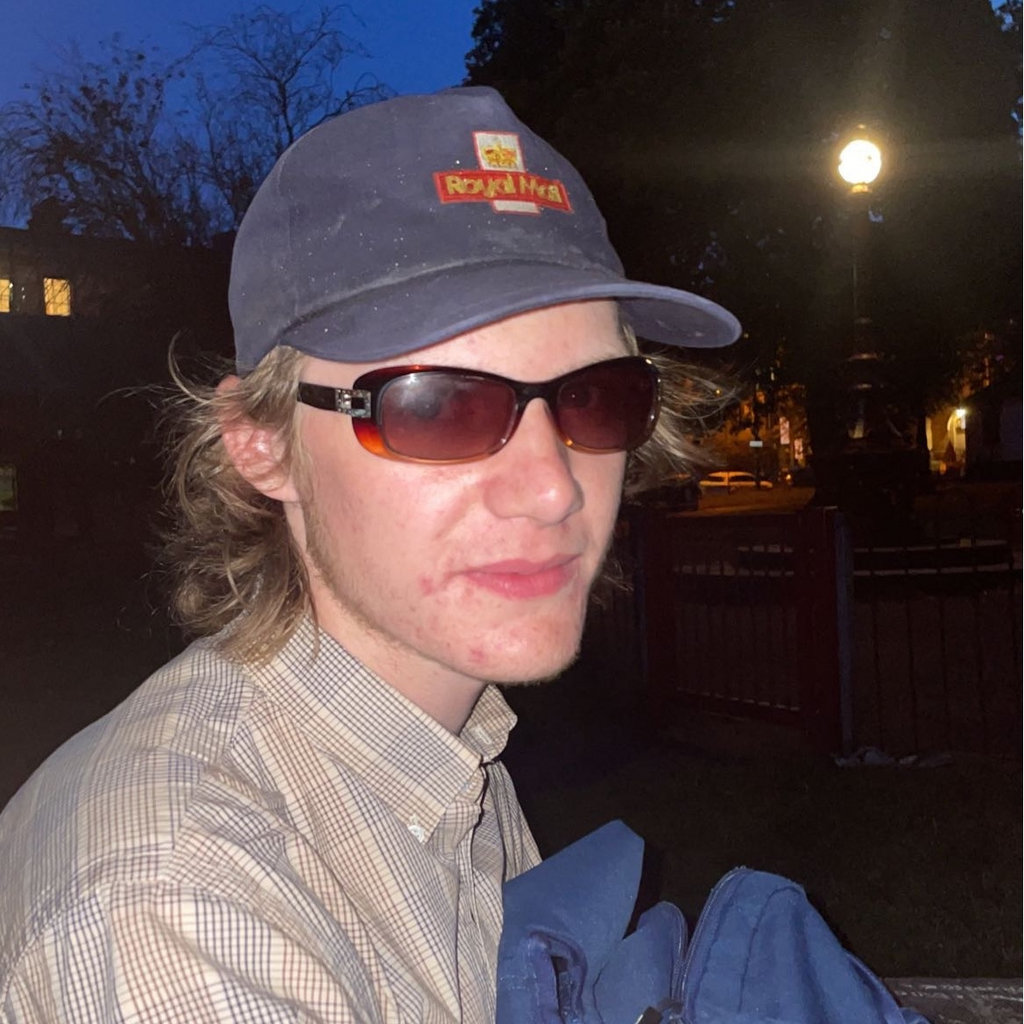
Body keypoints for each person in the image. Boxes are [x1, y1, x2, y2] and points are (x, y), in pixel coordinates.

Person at [0, 86, 739, 1022]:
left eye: (595, 398)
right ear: (263, 444)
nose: (552, 486)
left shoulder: (445, 753)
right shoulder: (184, 907)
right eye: (440, 407)